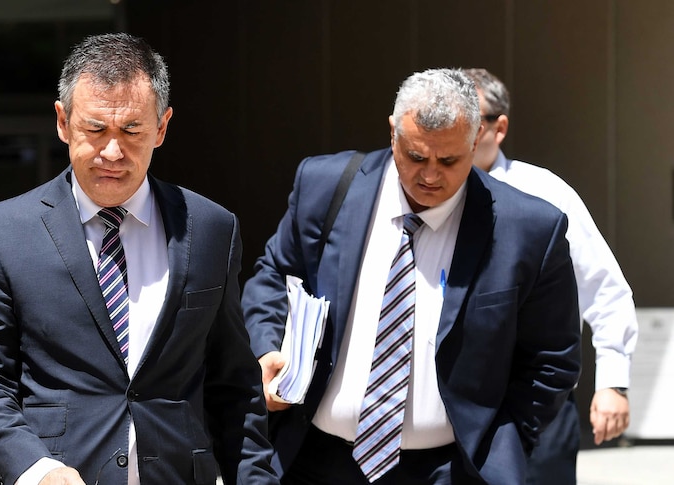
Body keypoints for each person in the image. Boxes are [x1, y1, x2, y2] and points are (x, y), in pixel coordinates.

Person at [0, 33, 278, 485]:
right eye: (96, 129)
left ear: (162, 128)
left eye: (132, 131)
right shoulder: (1, 234)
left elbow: (234, 384)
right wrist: (35, 469)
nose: (112, 152)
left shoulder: (212, 228)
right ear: (63, 123)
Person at [242, 68, 582, 484]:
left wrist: (504, 444)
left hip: (449, 471)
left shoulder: (528, 229)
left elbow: (553, 359)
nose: (430, 175)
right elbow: (274, 275)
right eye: (416, 156)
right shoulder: (325, 187)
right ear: (392, 133)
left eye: (450, 160)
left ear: (476, 141)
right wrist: (265, 349)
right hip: (317, 461)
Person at [463, 67, 638, 485]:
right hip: (452, 395)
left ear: (498, 127)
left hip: (537, 395)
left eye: (472, 123)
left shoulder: (545, 194)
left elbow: (604, 287)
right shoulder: (426, 196)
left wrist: (613, 381)